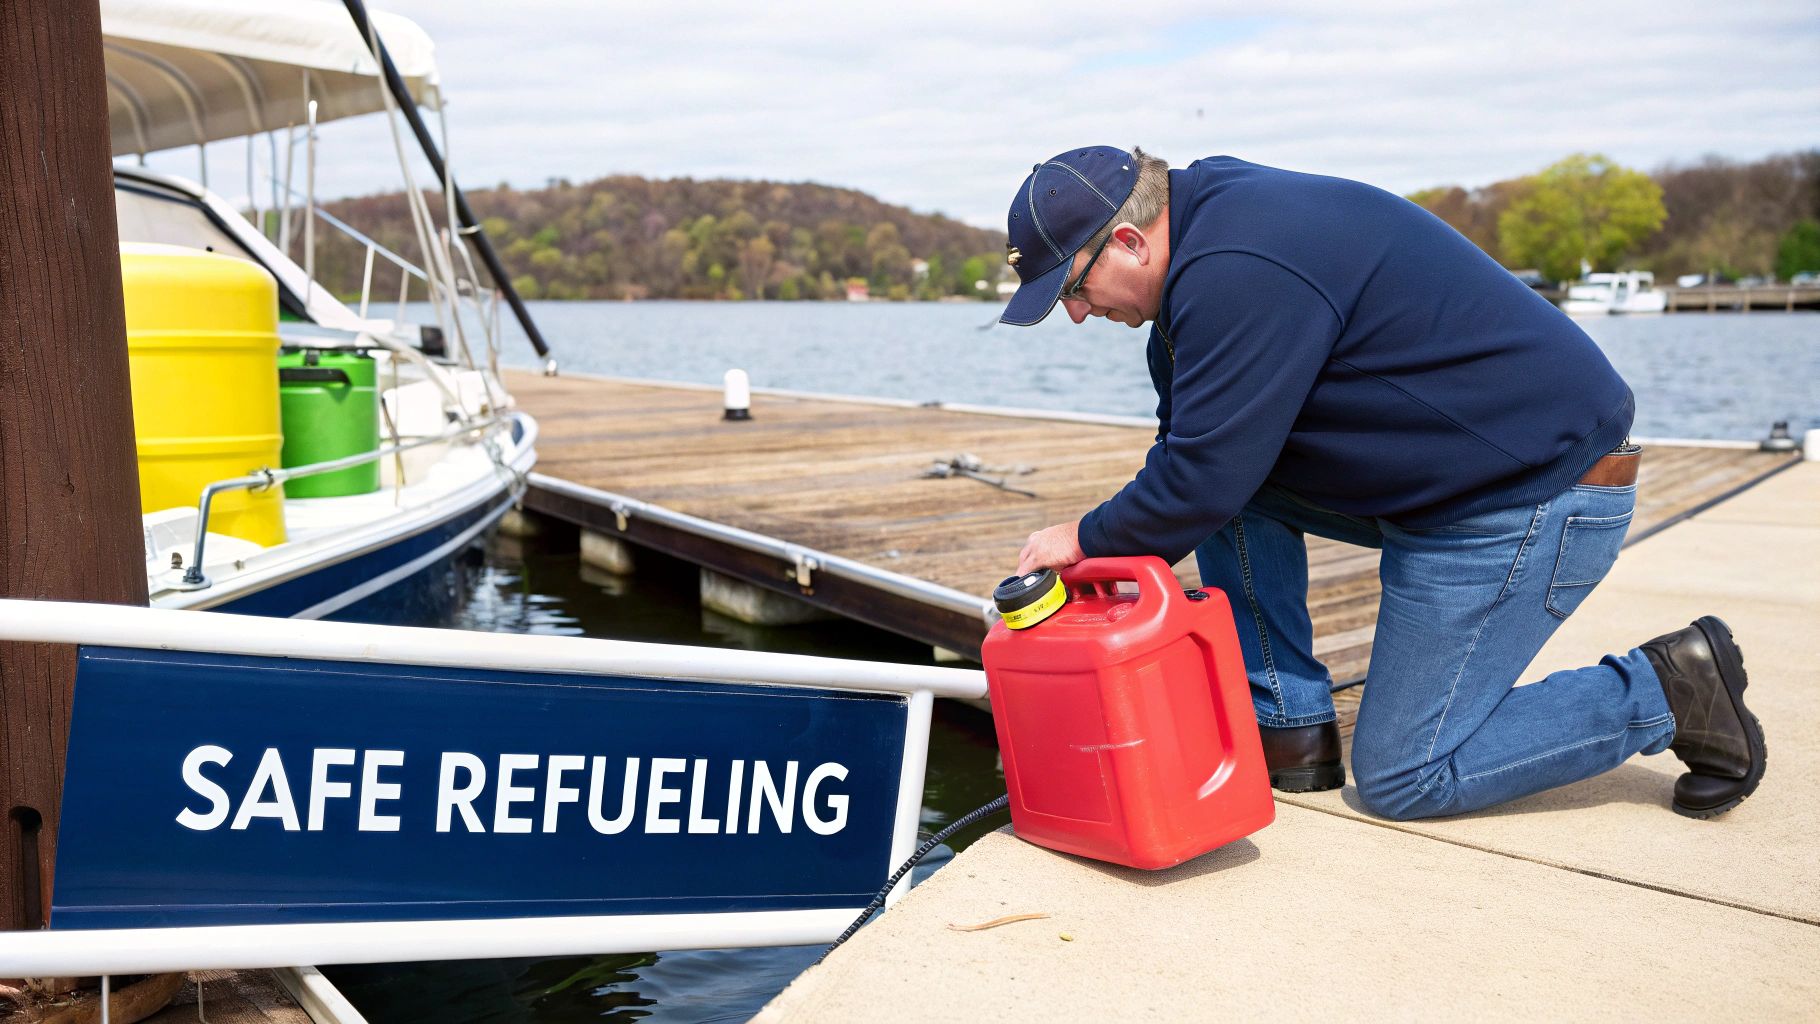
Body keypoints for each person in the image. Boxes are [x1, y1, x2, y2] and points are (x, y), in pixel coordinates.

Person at [1001, 146, 1766, 821]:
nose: (1074, 315)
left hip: (1535, 496)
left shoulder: (1237, 270)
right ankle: (1289, 724)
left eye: (1071, 288)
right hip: (1455, 485)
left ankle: (1668, 688)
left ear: (1130, 241)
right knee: (1232, 488)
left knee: (1405, 775)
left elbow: (1195, 483)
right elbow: (1194, 460)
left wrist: (1084, 539)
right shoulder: (1205, 248)